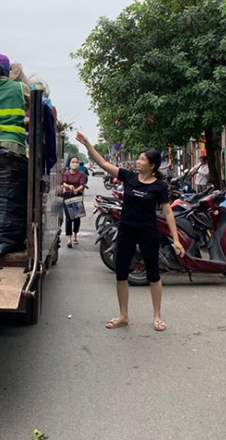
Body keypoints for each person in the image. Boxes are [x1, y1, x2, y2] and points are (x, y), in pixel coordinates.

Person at [76, 132, 184, 332]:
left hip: (148, 232)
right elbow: (103, 164)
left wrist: (176, 240)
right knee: (121, 273)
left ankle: (157, 316)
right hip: (126, 230)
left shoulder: (159, 186)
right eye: (139, 158)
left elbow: (168, 213)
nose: (138, 161)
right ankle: (123, 315)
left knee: (153, 274)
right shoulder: (129, 177)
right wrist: (88, 145)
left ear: (152, 165)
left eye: (142, 159)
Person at [62, 156, 88, 248]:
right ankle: (69, 238)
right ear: (70, 163)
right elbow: (63, 183)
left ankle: (75, 235)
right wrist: (69, 186)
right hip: (67, 196)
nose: (75, 163)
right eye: (73, 162)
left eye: (76, 162)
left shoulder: (81, 174)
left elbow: (82, 185)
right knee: (68, 217)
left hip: (77, 196)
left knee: (76, 217)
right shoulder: (66, 173)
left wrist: (77, 189)